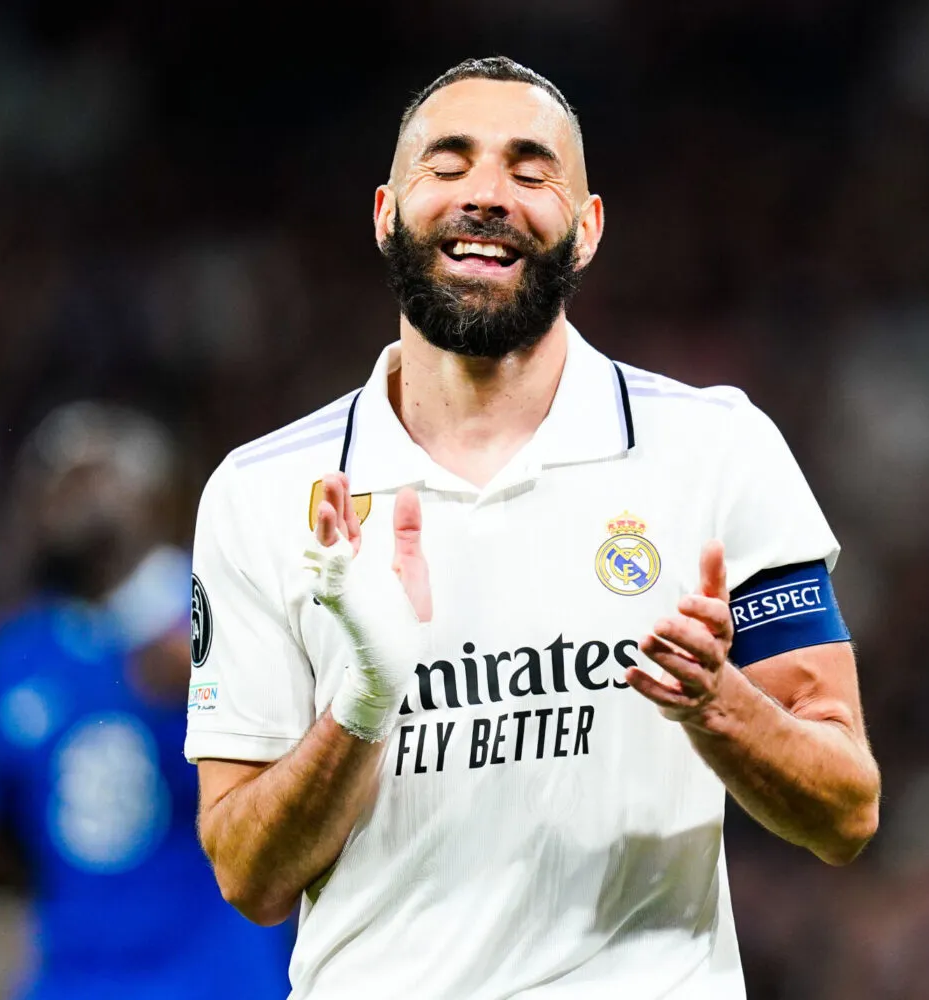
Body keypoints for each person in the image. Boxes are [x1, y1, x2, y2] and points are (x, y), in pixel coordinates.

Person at [187, 58, 881, 999]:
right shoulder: (265, 492)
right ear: (386, 213)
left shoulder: (715, 448)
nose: (486, 194)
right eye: (449, 165)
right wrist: (364, 702)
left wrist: (717, 704)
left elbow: (845, 811)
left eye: (529, 169)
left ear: (586, 229)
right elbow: (248, 876)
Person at [0, 402, 295, 999]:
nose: (69, 497)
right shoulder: (12, 654)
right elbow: (3, 827)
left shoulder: (230, 605)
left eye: (92, 475)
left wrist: (216, 686)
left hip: (213, 972)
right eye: (51, 477)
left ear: (153, 495)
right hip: (73, 974)